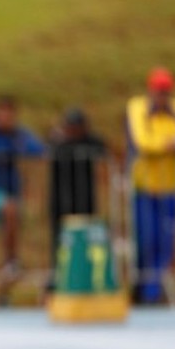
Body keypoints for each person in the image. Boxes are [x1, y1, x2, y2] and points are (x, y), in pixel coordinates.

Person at [125, 68, 175, 305]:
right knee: (146, 239)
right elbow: (143, 142)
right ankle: (142, 288)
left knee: (165, 241)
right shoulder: (138, 107)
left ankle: (153, 292)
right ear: (150, 90)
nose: (162, 96)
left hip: (169, 187)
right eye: (158, 91)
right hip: (143, 186)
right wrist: (172, 144)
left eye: (166, 92)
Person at [0, 94, 45, 306]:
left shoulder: (18, 133)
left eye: (9, 114)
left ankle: (4, 287)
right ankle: (11, 262)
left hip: (12, 191)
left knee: (10, 230)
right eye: (1, 113)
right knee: (10, 211)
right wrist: (13, 148)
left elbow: (37, 149)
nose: (5, 118)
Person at [48, 108, 106, 289]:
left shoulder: (89, 143)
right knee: (61, 242)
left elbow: (102, 147)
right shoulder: (58, 144)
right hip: (61, 202)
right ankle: (60, 277)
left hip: (85, 201)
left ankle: (86, 278)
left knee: (86, 241)